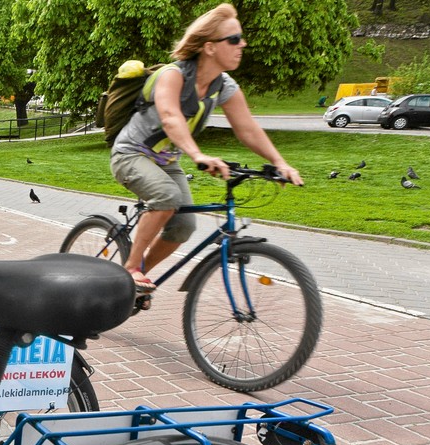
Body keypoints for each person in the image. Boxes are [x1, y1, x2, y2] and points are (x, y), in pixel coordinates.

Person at [109, 3, 302, 298]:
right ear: (210, 47)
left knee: (183, 226)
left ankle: (133, 283)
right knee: (166, 197)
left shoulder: (223, 85)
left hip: (167, 162)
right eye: (235, 39)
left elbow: (247, 129)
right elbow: (171, 117)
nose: (243, 45)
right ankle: (130, 269)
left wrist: (279, 162)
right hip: (131, 154)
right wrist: (198, 155)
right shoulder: (172, 75)